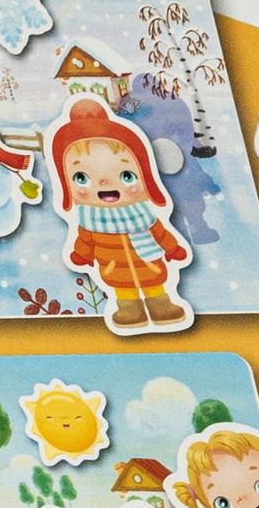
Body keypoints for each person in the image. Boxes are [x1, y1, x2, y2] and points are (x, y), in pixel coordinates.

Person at [47, 97, 192, 336]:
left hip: (148, 264)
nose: (104, 183)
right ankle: (130, 310)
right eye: (82, 178)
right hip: (113, 268)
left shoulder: (142, 214)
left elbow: (159, 232)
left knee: (155, 284)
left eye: (126, 175)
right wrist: (81, 255)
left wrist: (173, 248)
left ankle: (161, 305)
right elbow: (85, 241)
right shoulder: (89, 220)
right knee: (124, 290)